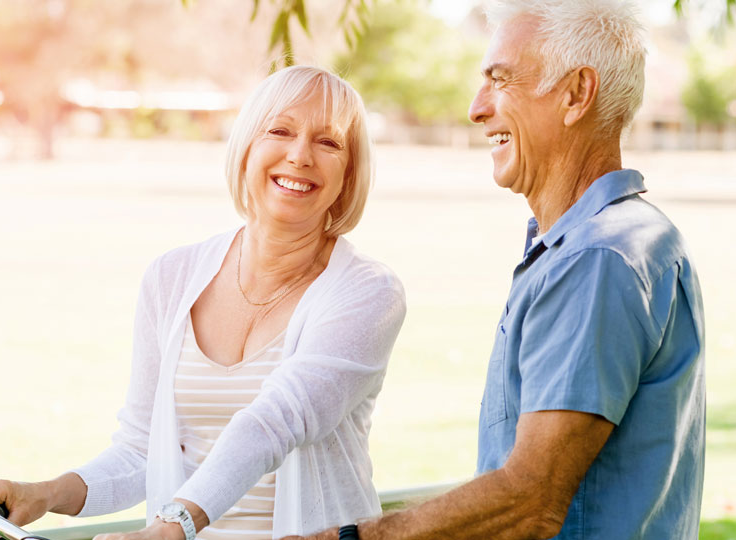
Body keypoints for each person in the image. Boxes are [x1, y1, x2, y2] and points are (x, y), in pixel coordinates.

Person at [292, 1, 706, 539]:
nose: (476, 108)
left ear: (576, 94)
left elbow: (531, 500)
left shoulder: (597, 258)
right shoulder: (613, 242)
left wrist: (353, 538)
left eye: (499, 78)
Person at [0, 66, 406, 540]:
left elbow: (275, 422)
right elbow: (141, 450)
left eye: (329, 142)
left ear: (350, 172)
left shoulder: (368, 292)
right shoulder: (171, 278)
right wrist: (46, 493)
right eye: (279, 130)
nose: (299, 156)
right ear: (246, 149)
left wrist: (174, 525)